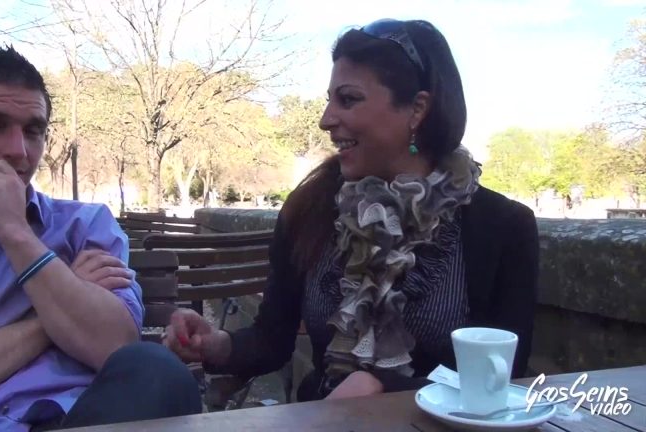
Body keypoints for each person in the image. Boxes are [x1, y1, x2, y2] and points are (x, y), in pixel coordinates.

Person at [163, 19, 539, 402]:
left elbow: (503, 379)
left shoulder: (504, 227)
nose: (326, 120)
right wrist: (215, 344)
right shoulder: (308, 209)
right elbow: (272, 339)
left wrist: (386, 389)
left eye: (348, 99)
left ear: (417, 109)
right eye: (329, 100)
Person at [0, 45, 201, 432]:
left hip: (84, 422)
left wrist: (18, 236)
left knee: (158, 368)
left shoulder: (85, 225)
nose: (19, 151)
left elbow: (116, 347)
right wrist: (46, 320)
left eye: (33, 131)